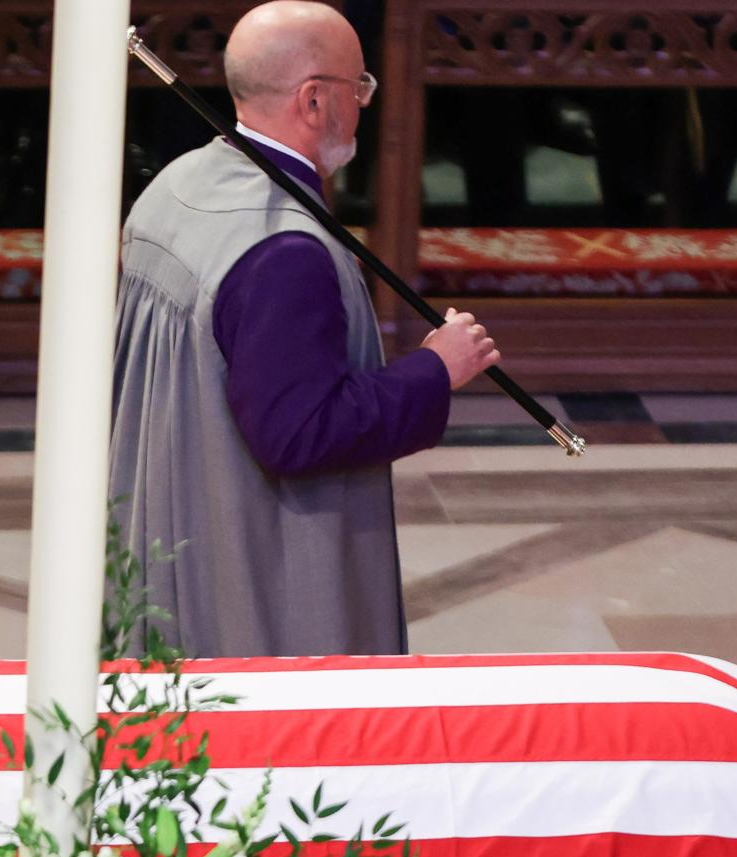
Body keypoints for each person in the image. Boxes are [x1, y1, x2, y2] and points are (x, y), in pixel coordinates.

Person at [109, 0, 499, 659]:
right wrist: (437, 368)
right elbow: (300, 432)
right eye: (361, 85)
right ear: (316, 100)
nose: (365, 104)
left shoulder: (177, 184)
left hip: (163, 520)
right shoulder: (284, 251)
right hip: (247, 573)